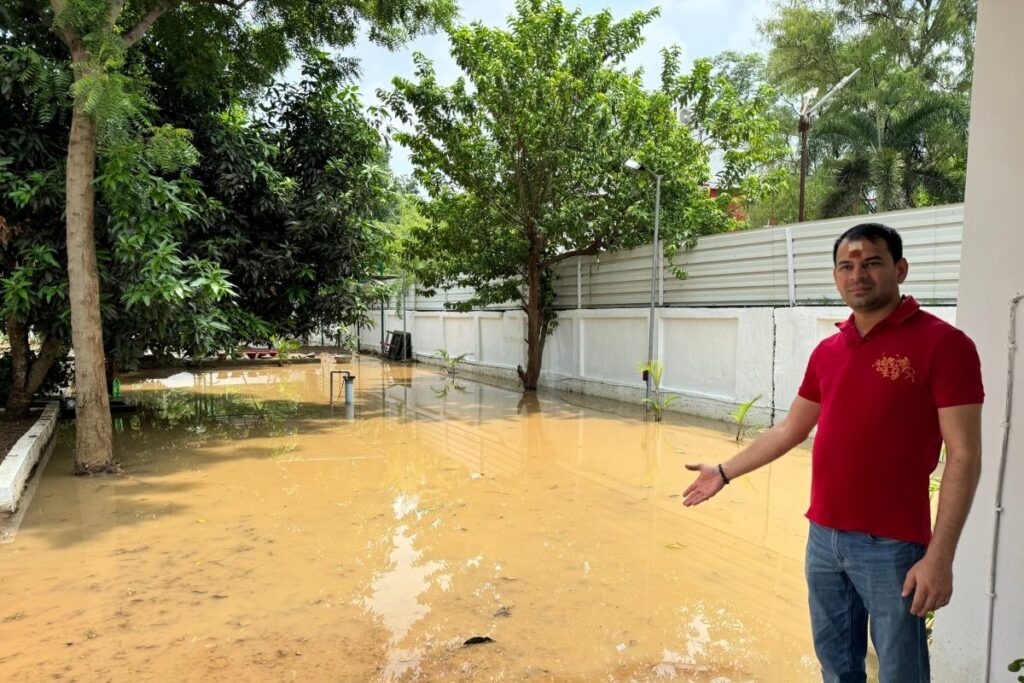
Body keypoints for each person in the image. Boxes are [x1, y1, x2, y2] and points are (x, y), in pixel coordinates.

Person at [682, 223, 983, 683]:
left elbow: (964, 455)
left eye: (872, 262)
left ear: (900, 269)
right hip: (823, 539)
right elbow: (789, 429)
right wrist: (723, 471)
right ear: (836, 276)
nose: (857, 275)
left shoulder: (944, 345)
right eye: (846, 266)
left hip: (893, 547)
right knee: (837, 669)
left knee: (901, 672)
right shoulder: (828, 351)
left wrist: (939, 558)